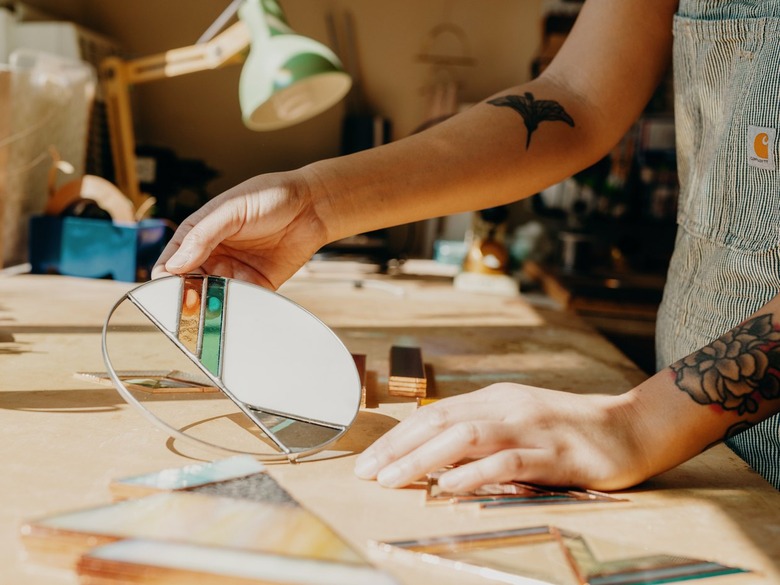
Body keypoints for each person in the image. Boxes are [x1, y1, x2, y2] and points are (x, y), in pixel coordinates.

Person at [153, 0, 780, 491]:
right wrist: (317, 203)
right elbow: (578, 99)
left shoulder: (647, 424)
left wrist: (640, 423)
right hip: (697, 439)